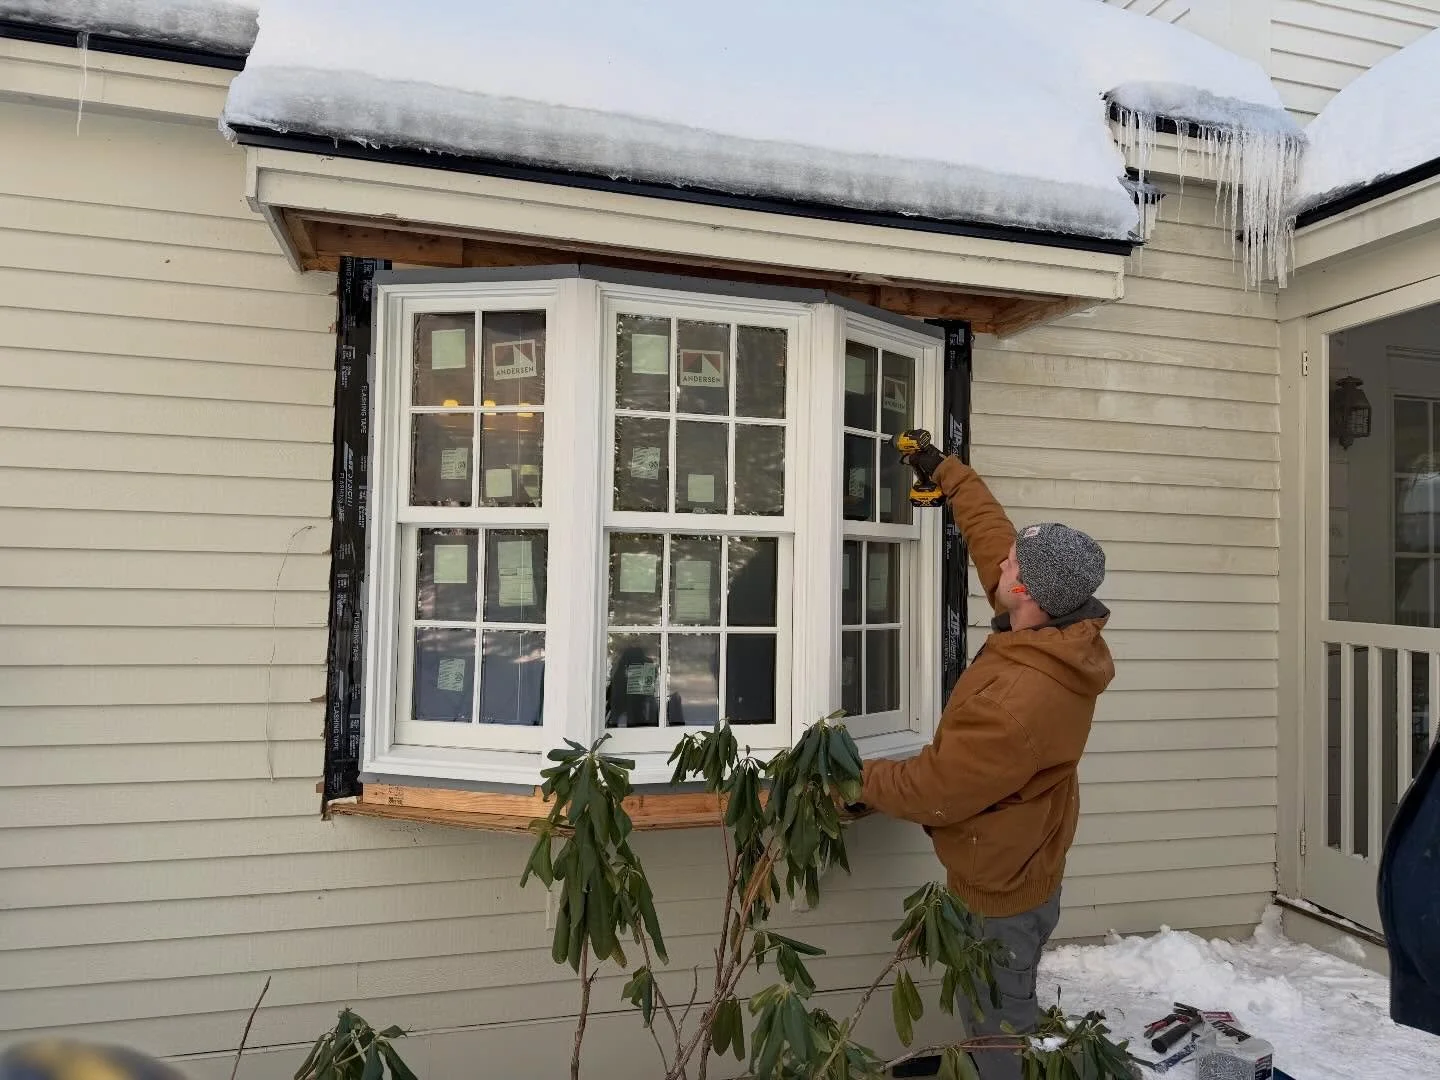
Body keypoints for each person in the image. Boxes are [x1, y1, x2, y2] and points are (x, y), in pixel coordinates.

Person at [854, 441, 1114, 1080]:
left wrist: (850, 780)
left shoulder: (1019, 700)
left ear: (1023, 587)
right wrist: (949, 474)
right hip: (1023, 854)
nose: (1002, 561)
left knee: (998, 1028)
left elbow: (936, 789)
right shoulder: (1051, 626)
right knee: (1004, 1007)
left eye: (1013, 562)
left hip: (1001, 893)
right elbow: (992, 535)